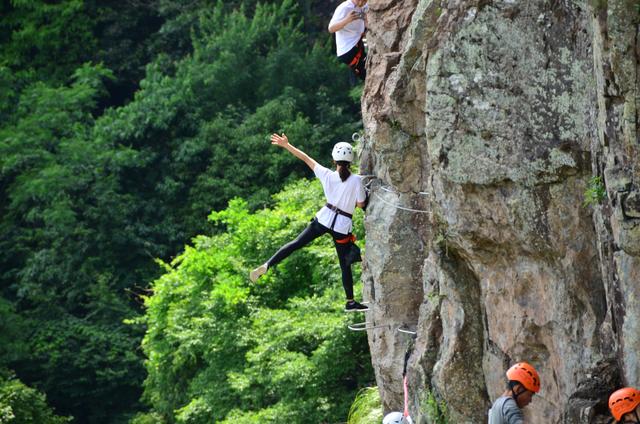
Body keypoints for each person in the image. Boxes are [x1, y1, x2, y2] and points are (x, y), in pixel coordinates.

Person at [250, 133, 368, 312]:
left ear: (334, 159)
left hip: (324, 218)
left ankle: (267, 264)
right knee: (344, 264)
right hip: (342, 226)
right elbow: (361, 204)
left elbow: (306, 158)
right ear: (351, 160)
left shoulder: (327, 175)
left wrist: (286, 145)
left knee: (296, 243)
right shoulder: (357, 181)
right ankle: (350, 302)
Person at [328, 0, 368, 80]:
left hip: (357, 41)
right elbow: (331, 28)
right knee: (367, 73)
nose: (362, 3)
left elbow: (365, 18)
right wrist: (347, 20)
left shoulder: (364, 5)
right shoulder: (344, 8)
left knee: (368, 69)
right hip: (348, 49)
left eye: (364, 1)